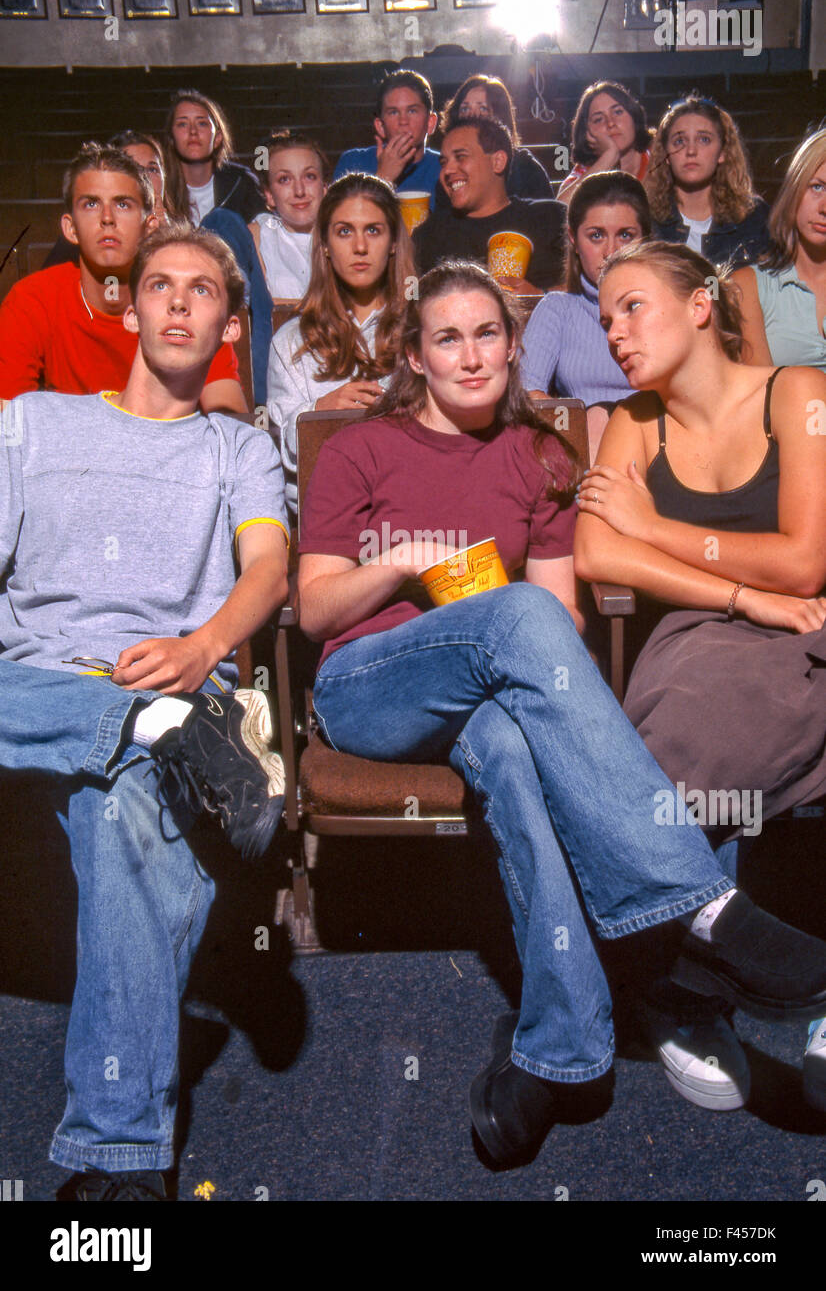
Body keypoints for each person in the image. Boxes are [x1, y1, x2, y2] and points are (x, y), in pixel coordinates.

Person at [296, 257, 826, 1169]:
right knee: (522, 616)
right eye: (448, 339)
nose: (471, 356)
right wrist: (407, 560)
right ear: (416, 357)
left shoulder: (539, 457)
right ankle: (699, 905)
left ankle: (561, 1053)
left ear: (514, 345)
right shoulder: (359, 447)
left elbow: (564, 619)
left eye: (489, 335)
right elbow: (314, 612)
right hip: (372, 687)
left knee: (511, 738)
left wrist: (524, 640)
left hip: (495, 692)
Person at [0, 222, 290, 1199]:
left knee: (119, 808)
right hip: (37, 685)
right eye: (157, 284)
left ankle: (118, 1155)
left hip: (172, 681)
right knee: (127, 751)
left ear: (226, 321)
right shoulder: (31, 422)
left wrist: (204, 649)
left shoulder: (234, 449)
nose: (174, 301)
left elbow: (268, 572)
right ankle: (141, 732)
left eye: (199, 289)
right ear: (129, 305)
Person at [574, 239, 826, 1112]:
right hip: (697, 634)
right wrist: (732, 593)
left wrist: (656, 524)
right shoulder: (630, 422)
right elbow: (596, 546)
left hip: (808, 626)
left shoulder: (799, 394)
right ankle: (694, 993)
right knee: (691, 714)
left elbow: (803, 562)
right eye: (604, 318)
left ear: (700, 305)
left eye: (633, 306)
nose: (615, 332)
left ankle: (697, 977)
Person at [0, 143, 246, 415]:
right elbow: (10, 423)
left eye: (123, 204)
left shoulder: (185, 301)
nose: (107, 218)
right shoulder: (33, 299)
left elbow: (229, 421)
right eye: (91, 204)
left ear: (149, 225)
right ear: (70, 228)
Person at [267, 172, 413, 514]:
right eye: (344, 231)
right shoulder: (291, 341)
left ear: (393, 242)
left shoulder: (425, 328)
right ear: (326, 247)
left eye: (373, 230)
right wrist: (319, 414)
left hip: (415, 511)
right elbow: (283, 466)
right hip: (330, 519)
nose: (360, 247)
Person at [520, 171, 650, 455]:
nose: (611, 251)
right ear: (574, 241)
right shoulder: (559, 309)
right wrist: (587, 424)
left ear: (645, 240)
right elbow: (527, 395)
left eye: (625, 235)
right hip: (580, 449)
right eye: (596, 236)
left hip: (656, 445)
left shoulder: (663, 310)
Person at [412, 117, 566, 294]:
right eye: (444, 162)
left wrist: (541, 298)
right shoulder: (427, 236)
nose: (447, 170)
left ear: (498, 161)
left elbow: (590, 287)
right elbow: (408, 296)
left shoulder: (551, 218)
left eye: (461, 157)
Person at [731, 127, 826, 373]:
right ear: (795, 188)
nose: (825, 207)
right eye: (817, 187)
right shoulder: (748, 285)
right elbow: (762, 394)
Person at [645, 94, 771, 267]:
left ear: (722, 152)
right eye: (679, 141)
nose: (691, 151)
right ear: (666, 154)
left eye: (704, 139)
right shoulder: (645, 219)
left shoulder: (755, 216)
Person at [42, 130, 189, 269]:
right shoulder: (86, 231)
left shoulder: (183, 231)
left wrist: (166, 233)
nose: (147, 179)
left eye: (152, 169)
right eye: (135, 169)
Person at [436, 73, 552, 205]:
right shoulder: (450, 172)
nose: (472, 116)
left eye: (483, 108)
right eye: (465, 108)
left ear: (500, 117)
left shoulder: (526, 169)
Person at [164, 88, 266, 227]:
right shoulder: (161, 188)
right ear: (171, 138)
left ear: (217, 138)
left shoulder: (242, 183)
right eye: (183, 124)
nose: (193, 132)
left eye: (202, 123)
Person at [332, 69, 440, 198]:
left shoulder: (445, 167)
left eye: (412, 111)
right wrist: (383, 177)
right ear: (380, 126)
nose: (403, 121)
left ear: (430, 123)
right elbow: (342, 217)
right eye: (393, 112)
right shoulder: (353, 163)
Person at [250, 130, 328, 300]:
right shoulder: (259, 235)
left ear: (324, 187)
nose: (299, 191)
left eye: (309, 176)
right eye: (285, 179)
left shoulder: (345, 233)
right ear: (269, 194)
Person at [557, 81, 652, 207]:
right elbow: (559, 213)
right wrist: (610, 156)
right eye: (598, 119)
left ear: (634, 116)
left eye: (618, 112)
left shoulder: (659, 156)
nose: (610, 123)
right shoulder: (584, 173)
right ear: (587, 133)